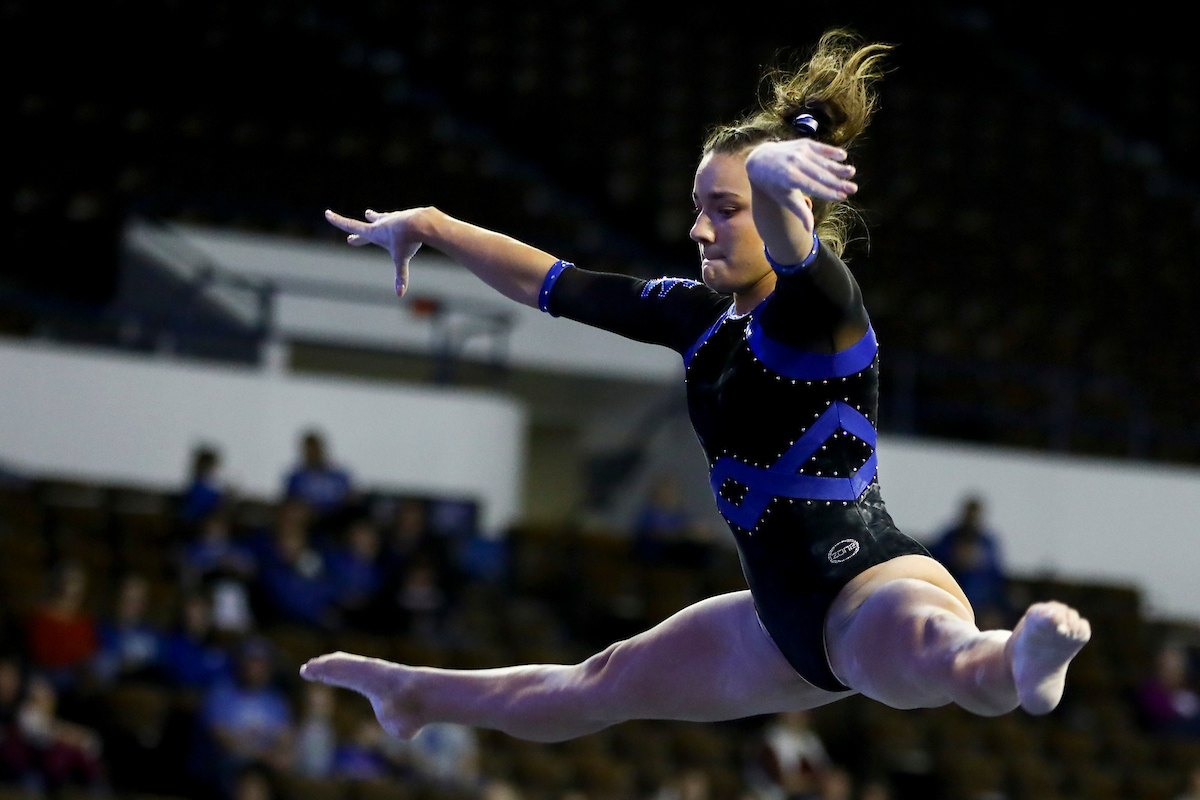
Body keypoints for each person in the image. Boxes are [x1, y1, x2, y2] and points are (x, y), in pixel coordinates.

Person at [301, 30, 1091, 743]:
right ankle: (415, 697)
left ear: (790, 208)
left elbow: (799, 253)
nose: (699, 229)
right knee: (599, 682)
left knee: (942, 657)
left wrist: (781, 184)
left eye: (724, 209)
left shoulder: (823, 316)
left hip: (867, 585)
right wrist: (433, 225)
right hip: (777, 623)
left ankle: (1024, 658)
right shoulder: (700, 318)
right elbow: (556, 283)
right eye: (697, 208)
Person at [928, 495, 1009, 628]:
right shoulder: (948, 539)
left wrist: (979, 562)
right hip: (950, 597)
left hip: (982, 604)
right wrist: (954, 559)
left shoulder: (987, 543)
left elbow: (996, 577)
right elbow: (934, 566)